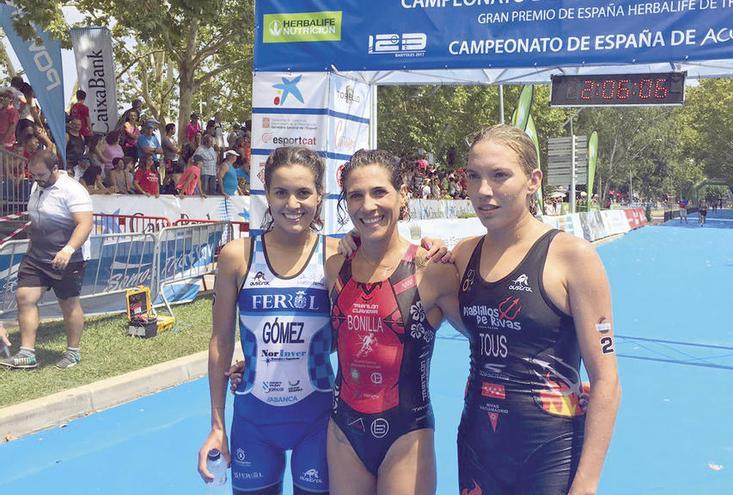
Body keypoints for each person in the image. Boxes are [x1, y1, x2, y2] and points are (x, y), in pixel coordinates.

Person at [197, 146, 450, 494]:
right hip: (254, 422)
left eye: (303, 192)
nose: (292, 203)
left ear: (320, 196)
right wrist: (217, 422)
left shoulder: (338, 256)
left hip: (318, 422)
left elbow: (355, 327)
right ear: (266, 195)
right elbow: (221, 341)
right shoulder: (237, 256)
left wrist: (435, 248)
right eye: (280, 192)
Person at [452, 124, 620, 494]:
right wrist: (352, 242)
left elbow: (607, 381)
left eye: (500, 176)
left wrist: (586, 484)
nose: (483, 191)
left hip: (548, 454)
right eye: (474, 176)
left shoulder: (573, 258)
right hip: (478, 445)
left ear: (533, 181)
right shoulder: (462, 255)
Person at [323, 149, 463, 495]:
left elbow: (489, 336)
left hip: (407, 435)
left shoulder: (432, 271)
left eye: (379, 192)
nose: (367, 206)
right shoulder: (334, 268)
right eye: (355, 195)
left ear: (403, 193)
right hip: (344, 433)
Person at [0, 150, 93, 369]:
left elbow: (85, 224)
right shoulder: (37, 186)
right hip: (37, 256)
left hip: (68, 257)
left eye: (41, 174)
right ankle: (27, 352)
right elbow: (36, 220)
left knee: (68, 304)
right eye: (33, 174)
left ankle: (73, 352)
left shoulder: (73, 190)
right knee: (24, 297)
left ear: (54, 169)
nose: (36, 178)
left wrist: (68, 250)